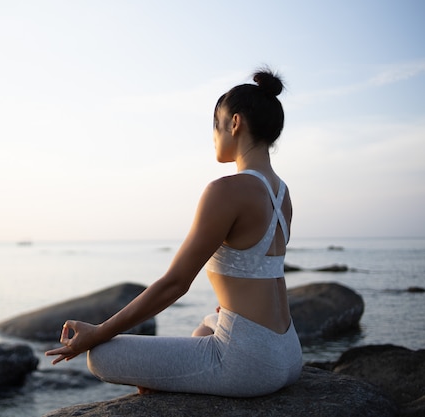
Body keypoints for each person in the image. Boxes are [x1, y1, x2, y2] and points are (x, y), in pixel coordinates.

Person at [45, 68, 302, 397]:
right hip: (288, 352)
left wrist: (98, 333)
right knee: (206, 325)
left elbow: (175, 284)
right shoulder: (282, 194)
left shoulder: (226, 190)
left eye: (216, 124)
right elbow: (257, 272)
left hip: (252, 364)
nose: (212, 136)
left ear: (235, 123)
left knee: (102, 357)